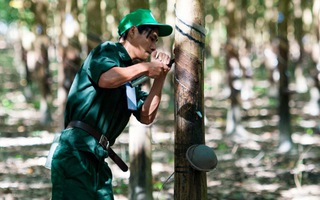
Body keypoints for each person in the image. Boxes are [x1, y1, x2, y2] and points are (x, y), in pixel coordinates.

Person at [51, 9, 173, 199]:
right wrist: (147, 68)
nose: (154, 46)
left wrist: (160, 77)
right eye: (151, 38)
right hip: (76, 152)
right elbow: (106, 79)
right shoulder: (107, 51)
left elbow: (146, 116)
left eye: (156, 41)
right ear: (132, 32)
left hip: (99, 159)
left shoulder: (131, 80)